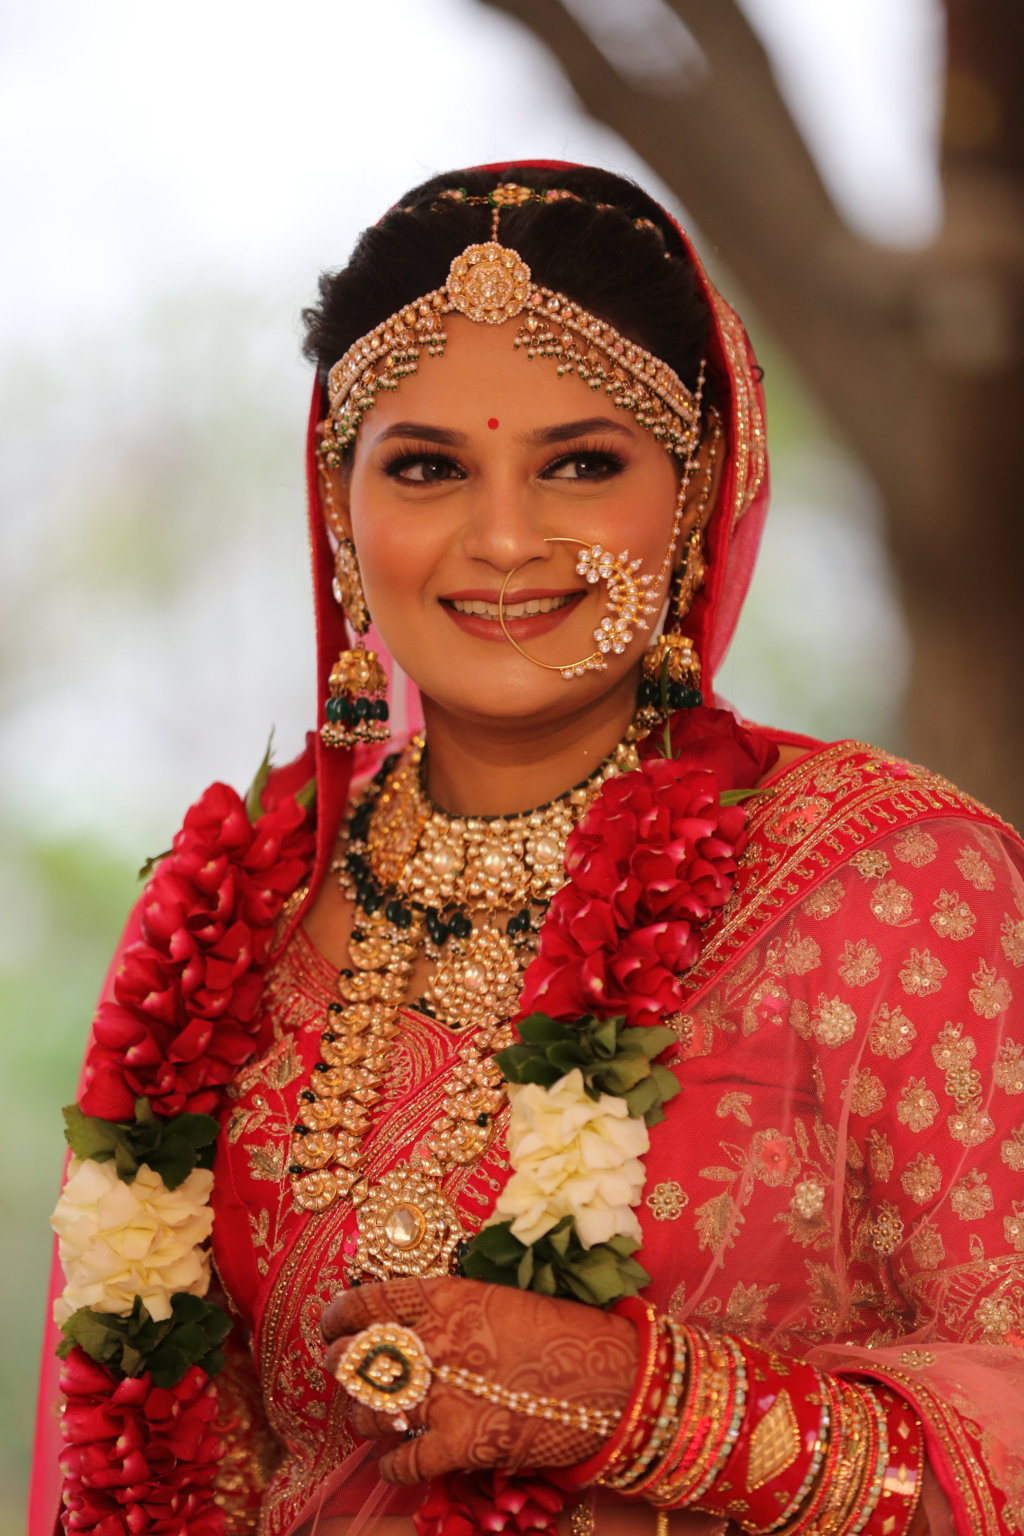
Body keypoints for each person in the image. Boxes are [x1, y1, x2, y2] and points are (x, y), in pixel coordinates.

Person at [33, 163, 1024, 1536]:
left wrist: (641, 1405)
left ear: (692, 497)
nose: (503, 539)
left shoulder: (890, 880)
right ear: (340, 514)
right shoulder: (230, 924)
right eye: (429, 467)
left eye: (581, 463)